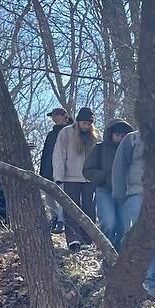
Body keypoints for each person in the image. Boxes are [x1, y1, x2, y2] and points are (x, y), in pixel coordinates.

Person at [111, 128, 155, 300]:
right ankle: (139, 284)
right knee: (142, 238)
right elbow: (119, 166)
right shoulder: (132, 138)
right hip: (139, 193)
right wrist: (119, 194)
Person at [52, 106, 98, 251]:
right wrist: (58, 177)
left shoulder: (95, 136)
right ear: (78, 122)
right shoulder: (66, 133)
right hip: (70, 177)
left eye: (89, 124)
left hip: (90, 179)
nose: (86, 126)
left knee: (89, 210)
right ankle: (72, 240)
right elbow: (59, 155)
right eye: (84, 123)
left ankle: (86, 240)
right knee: (71, 209)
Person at [84, 119, 134, 249]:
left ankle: (119, 257)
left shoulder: (131, 151)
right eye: (117, 134)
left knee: (124, 228)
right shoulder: (99, 149)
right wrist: (105, 176)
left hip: (125, 193)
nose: (120, 137)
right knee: (108, 223)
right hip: (105, 191)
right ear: (111, 134)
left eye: (123, 135)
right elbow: (87, 170)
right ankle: (108, 252)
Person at [38, 107, 69, 233]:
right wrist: (42, 171)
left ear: (64, 116)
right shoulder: (51, 134)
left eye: (57, 115)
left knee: (62, 195)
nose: (55, 118)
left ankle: (61, 221)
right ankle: (54, 216)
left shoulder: (70, 132)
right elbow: (45, 153)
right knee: (49, 195)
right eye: (53, 116)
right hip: (48, 169)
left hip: (64, 170)